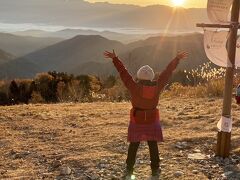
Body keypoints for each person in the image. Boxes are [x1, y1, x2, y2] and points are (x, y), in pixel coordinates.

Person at [104, 50, 188, 178]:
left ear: (138, 77)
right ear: (152, 77)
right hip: (152, 120)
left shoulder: (133, 86)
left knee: (133, 146)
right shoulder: (158, 86)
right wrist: (176, 59)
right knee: (152, 145)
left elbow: (123, 73)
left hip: (136, 120)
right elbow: (167, 73)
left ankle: (129, 170)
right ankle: (155, 170)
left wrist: (115, 59)